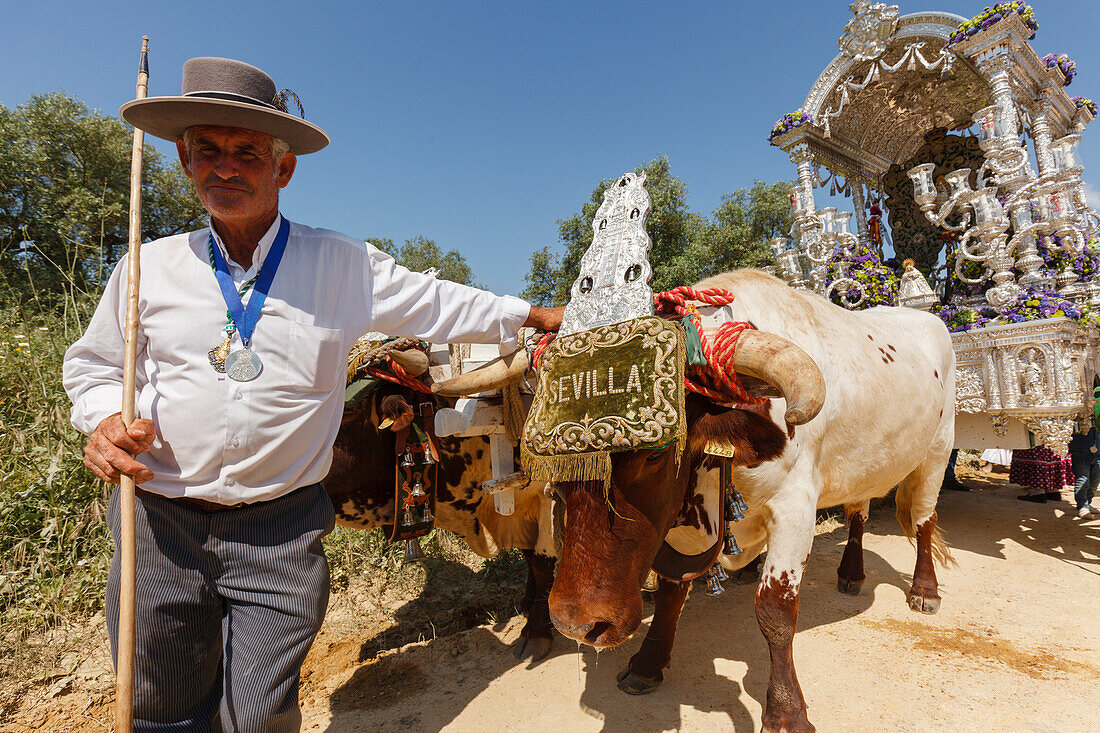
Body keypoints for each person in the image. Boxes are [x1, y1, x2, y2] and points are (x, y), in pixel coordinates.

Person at [63, 57, 563, 732]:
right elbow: (92, 367)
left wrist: (534, 316)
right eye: (208, 150)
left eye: (247, 153)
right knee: (159, 707)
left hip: (281, 528)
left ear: (283, 168)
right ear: (183, 161)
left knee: (261, 715)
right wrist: (101, 421)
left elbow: (437, 301)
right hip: (160, 523)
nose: (226, 167)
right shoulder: (145, 266)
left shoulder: (341, 265)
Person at [1067, 425, 1100, 518]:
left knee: (1095, 482)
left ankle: (1087, 503)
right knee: (1082, 480)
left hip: (1097, 452)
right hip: (1080, 451)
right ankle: (1082, 506)